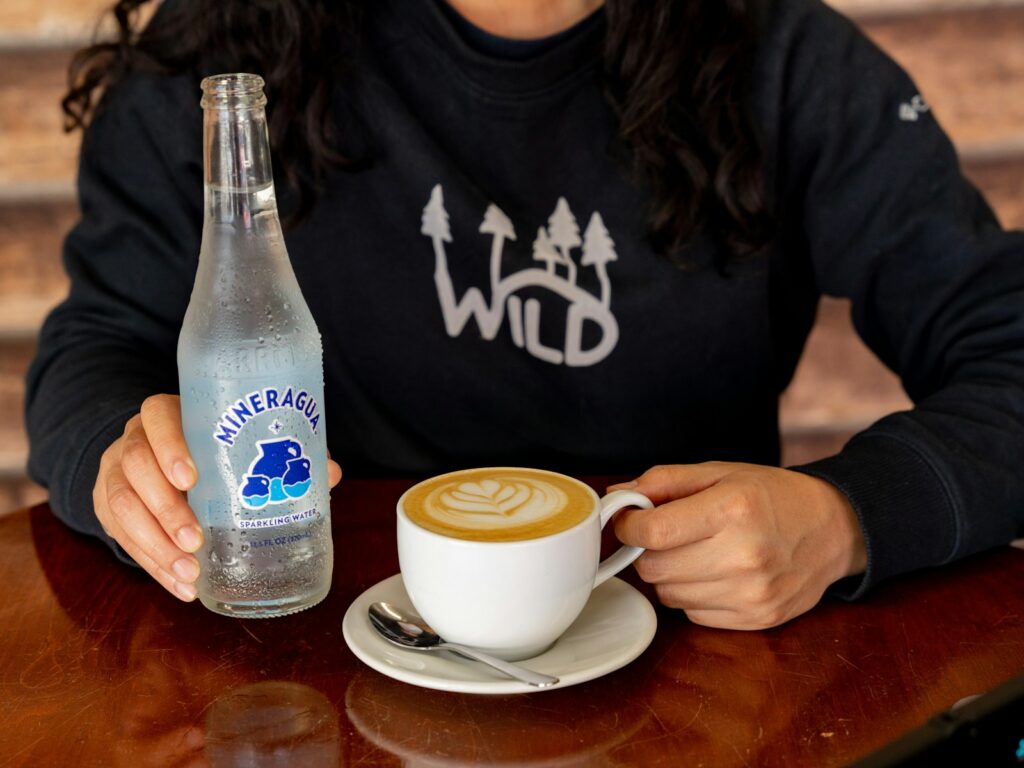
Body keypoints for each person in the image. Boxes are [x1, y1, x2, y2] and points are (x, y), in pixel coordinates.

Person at [26, 0, 1024, 629]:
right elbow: (98, 347)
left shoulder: (790, 60)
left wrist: (850, 518)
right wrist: (118, 466)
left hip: (695, 651)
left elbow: (1006, 342)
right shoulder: (226, 46)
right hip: (314, 647)